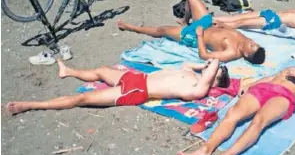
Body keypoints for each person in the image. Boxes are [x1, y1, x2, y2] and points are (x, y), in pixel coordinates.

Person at [178, 53, 295, 155]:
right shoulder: (294, 67)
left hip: (284, 96)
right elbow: (272, 77)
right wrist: (252, 85)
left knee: (259, 121)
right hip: (265, 88)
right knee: (233, 114)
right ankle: (205, 151)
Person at [6, 58, 230, 115]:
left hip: (136, 91)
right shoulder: (190, 72)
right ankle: (69, 71)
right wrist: (205, 64)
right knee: (102, 70)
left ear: (213, 79)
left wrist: (216, 63)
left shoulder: (198, 88)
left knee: (81, 100)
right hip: (136, 78)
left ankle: (32, 105)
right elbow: (190, 64)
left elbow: (212, 67)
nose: (209, 64)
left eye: (213, 68)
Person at [117, 0, 266, 64]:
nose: (252, 41)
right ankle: (184, 19)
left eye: (252, 45)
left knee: (162, 31)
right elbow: (233, 32)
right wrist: (223, 25)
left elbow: (204, 56)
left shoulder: (230, 53)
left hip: (194, 35)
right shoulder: (246, 41)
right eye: (255, 43)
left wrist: (200, 36)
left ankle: (131, 27)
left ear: (246, 54)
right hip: (206, 23)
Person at [215, 0, 295, 31]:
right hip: (271, 13)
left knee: (240, 23)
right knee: (237, 17)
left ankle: (214, 26)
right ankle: (210, 19)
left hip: (274, 21)